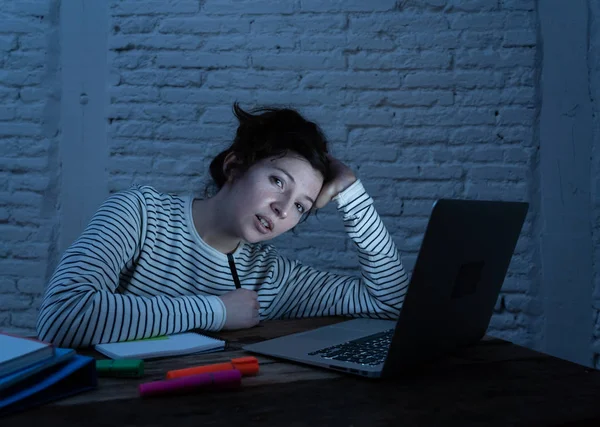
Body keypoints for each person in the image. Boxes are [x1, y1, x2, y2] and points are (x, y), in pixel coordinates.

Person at [36, 103, 409, 348]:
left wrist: (353, 195)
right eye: (278, 181)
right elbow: (62, 317)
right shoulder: (139, 214)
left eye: (300, 205)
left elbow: (391, 303)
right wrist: (216, 310)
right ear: (234, 167)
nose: (282, 210)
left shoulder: (272, 277)